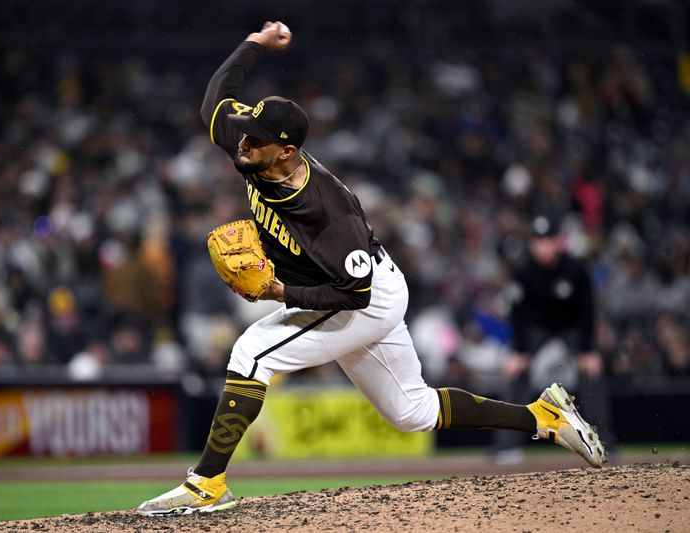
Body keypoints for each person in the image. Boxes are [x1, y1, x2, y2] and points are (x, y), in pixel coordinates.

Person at [136, 22, 607, 517]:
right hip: (357, 283)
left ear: (287, 152)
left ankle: (206, 483)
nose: (242, 145)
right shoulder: (253, 146)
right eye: (246, 134)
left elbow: (353, 294)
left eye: (255, 141)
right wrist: (256, 43)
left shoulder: (327, 212)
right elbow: (216, 98)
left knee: (253, 352)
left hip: (361, 293)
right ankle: (542, 417)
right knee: (412, 411)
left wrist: (279, 291)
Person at [493, 214, 616, 464]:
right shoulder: (523, 272)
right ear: (532, 243)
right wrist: (519, 351)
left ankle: (605, 442)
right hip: (537, 328)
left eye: (548, 240)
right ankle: (505, 446)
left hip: (571, 327)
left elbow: (588, 310)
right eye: (538, 240)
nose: (543, 246)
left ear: (558, 242)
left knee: (591, 371)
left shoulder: (575, 269)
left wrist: (587, 349)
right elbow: (517, 313)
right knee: (516, 372)